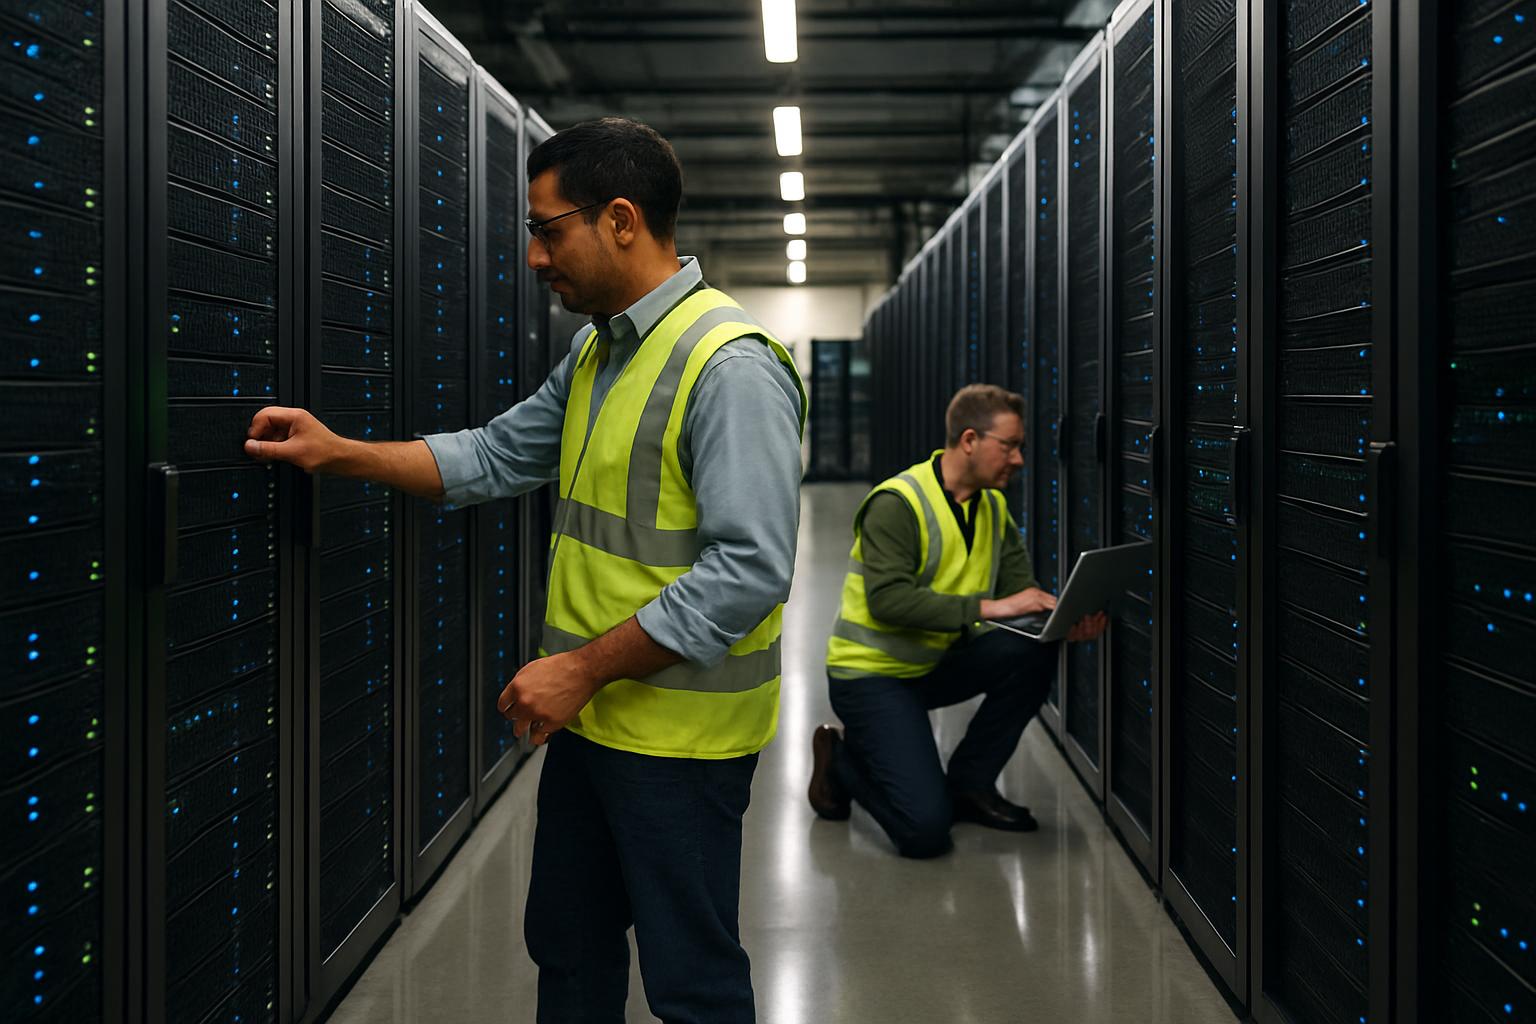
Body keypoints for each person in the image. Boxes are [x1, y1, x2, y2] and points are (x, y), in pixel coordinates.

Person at [244, 117, 805, 1024]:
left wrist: (579, 668)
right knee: (570, 954)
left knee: (691, 985)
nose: (537, 257)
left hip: (676, 746)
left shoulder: (729, 366)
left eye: (549, 229)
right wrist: (339, 452)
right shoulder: (598, 351)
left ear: (621, 218)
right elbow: (496, 456)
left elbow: (748, 571)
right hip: (590, 726)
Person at [809, 384, 1106, 858]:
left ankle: (970, 784)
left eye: (1020, 447)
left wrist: (1061, 624)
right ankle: (840, 758)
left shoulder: (992, 507)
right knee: (924, 832)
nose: (1019, 460)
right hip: (870, 677)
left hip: (933, 664)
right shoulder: (898, 503)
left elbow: (1017, 597)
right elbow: (888, 602)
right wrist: (991, 608)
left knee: (1033, 649)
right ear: (970, 440)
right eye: (1009, 446)